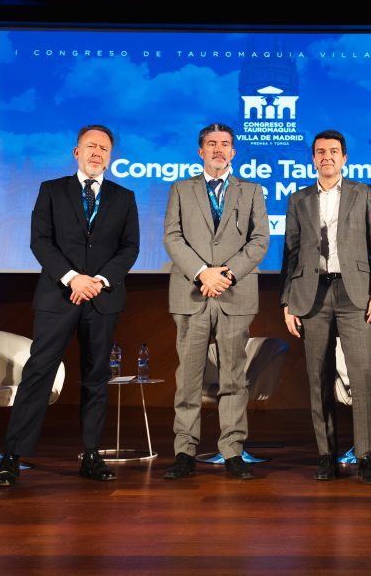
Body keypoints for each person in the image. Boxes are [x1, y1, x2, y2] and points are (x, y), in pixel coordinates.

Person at [0, 124, 140, 487]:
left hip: (102, 300)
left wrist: (98, 281)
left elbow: (129, 248)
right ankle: (11, 457)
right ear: (76, 152)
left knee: (95, 378)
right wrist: (73, 278)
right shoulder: (51, 190)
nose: (97, 153)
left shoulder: (124, 197)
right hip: (57, 296)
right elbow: (40, 242)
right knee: (39, 372)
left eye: (104, 148)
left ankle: (91, 456)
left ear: (111, 156)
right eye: (91, 146)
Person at [280, 130, 371, 485]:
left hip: (355, 292)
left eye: (333, 151)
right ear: (313, 158)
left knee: (361, 376)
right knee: (318, 377)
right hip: (312, 295)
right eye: (320, 151)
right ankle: (326, 455)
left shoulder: (363, 192)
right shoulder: (298, 199)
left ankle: (367, 457)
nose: (327, 156)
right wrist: (288, 301)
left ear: (344, 158)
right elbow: (291, 255)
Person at [162, 122, 269, 480]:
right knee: (188, 378)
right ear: (200, 151)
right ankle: (184, 452)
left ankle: (233, 451)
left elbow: (259, 241)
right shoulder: (180, 188)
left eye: (225, 144)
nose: (218, 150)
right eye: (211, 144)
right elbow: (172, 237)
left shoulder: (252, 191)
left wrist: (225, 275)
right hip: (192, 293)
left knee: (233, 378)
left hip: (234, 294)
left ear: (233, 152)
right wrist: (202, 273)